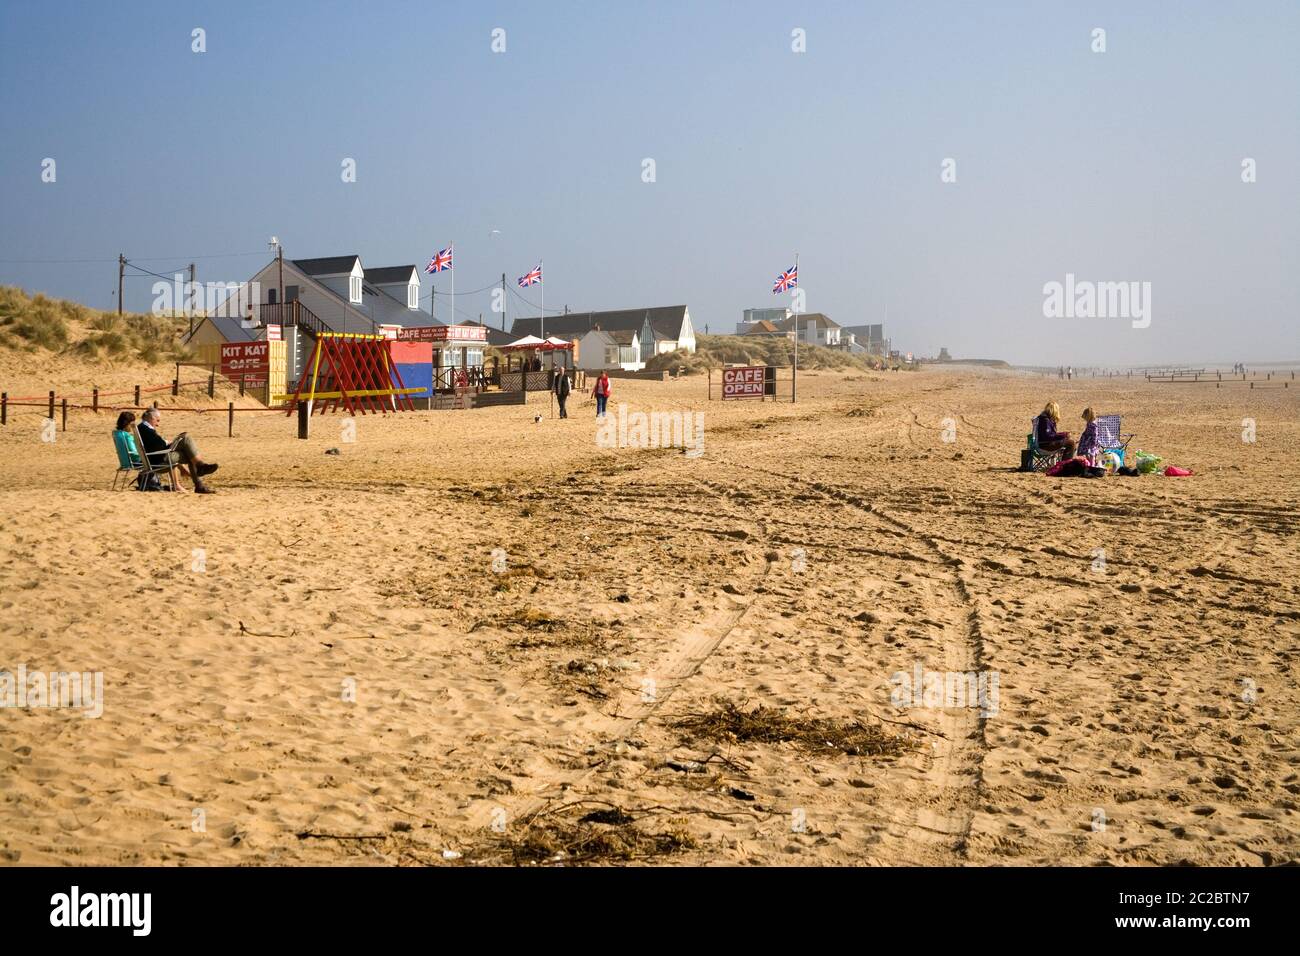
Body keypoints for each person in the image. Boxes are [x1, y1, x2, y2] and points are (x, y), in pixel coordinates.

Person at [137, 405, 218, 494]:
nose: (158, 424)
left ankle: (199, 478)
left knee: (189, 451)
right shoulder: (146, 429)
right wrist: (167, 442)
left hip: (155, 458)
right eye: (157, 420)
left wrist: (166, 442)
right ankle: (200, 471)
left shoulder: (141, 428)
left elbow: (154, 443)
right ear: (152, 418)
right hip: (159, 461)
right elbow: (158, 445)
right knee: (186, 439)